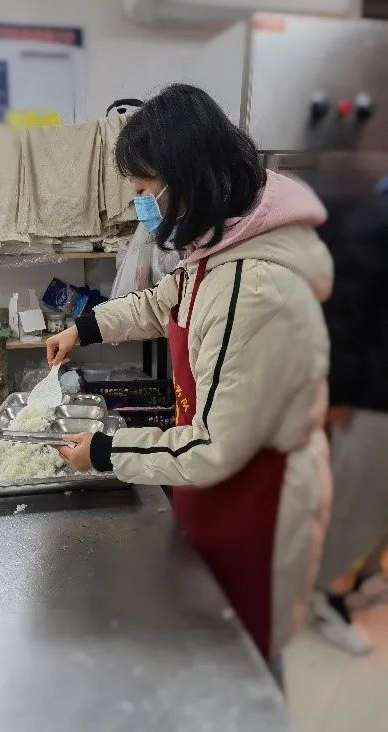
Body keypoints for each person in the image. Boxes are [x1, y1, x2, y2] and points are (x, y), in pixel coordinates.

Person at [47, 84, 333, 663]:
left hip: (251, 510)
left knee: (241, 667)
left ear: (185, 178)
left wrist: (104, 451)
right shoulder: (218, 245)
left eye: (143, 190)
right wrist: (85, 327)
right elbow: (163, 303)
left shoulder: (248, 283)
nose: (139, 205)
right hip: (215, 492)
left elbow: (211, 446)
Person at [311, 176, 388, 654]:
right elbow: (347, 316)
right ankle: (324, 593)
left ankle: (367, 574)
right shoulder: (373, 220)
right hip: (371, 396)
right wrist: (336, 395)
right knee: (356, 499)